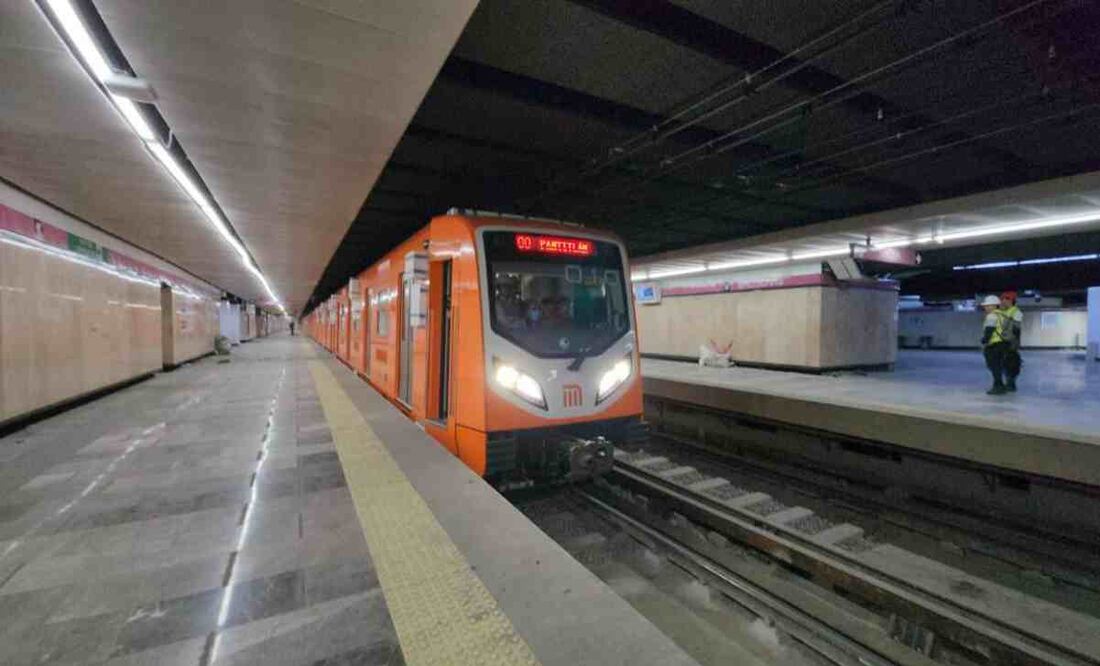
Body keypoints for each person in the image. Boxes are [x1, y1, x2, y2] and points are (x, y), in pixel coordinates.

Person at [980, 294, 1021, 395]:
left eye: (988, 305)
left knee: (995, 367)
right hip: (1005, 344)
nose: (985, 307)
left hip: (995, 345)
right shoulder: (1003, 315)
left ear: (994, 306)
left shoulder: (991, 316)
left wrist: (984, 340)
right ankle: (1009, 385)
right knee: (1003, 365)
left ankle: (998, 386)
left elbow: (989, 331)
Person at [999, 291, 1023, 390]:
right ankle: (1008, 381)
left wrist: (1016, 342)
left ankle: (1011, 382)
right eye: (1002, 299)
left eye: (1005, 299)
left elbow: (1017, 328)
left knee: (1011, 363)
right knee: (1004, 362)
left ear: (1011, 300)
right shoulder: (1004, 311)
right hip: (1002, 340)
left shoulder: (1016, 312)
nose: (1003, 301)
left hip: (1010, 341)